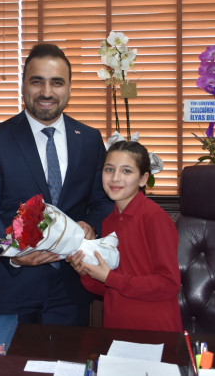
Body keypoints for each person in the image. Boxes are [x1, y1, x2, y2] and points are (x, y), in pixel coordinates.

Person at [0, 43, 114, 326]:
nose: (47, 92)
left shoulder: (89, 139)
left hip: (72, 287)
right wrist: (14, 253)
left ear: (69, 87)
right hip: (12, 286)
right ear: (23, 85)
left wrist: (90, 225)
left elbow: (102, 202)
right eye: (37, 81)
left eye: (57, 82)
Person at [66, 140, 181, 332]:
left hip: (154, 329)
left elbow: (168, 284)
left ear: (143, 179)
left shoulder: (154, 218)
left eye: (126, 171)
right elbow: (109, 288)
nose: (115, 178)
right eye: (109, 169)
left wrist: (110, 278)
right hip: (116, 326)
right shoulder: (108, 222)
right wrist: (86, 272)